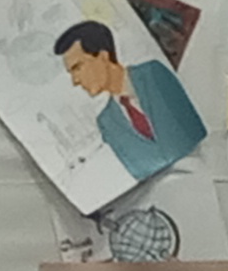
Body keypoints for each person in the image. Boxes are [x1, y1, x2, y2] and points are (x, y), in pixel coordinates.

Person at [49, 18, 195, 174]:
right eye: (71, 73)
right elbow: (140, 173)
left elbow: (194, 129)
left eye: (77, 68)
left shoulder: (153, 75)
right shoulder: (107, 123)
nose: (75, 81)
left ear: (103, 56)